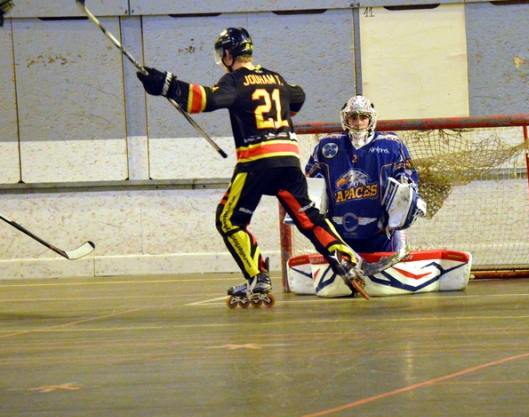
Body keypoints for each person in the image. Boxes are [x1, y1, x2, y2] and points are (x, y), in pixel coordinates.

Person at [135, 27, 367, 305]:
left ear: (228, 54)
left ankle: (257, 277)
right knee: (308, 217)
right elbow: (298, 96)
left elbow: (208, 99)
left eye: (222, 54)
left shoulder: (235, 80)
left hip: (257, 161)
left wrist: (166, 85)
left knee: (229, 220)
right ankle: (346, 260)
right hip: (289, 161)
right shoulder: (276, 78)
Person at [304, 95, 425, 262]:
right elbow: (312, 182)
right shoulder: (327, 145)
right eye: (353, 117)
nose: (358, 122)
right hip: (338, 231)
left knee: (391, 265)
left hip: (382, 232)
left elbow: (407, 178)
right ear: (345, 119)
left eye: (363, 117)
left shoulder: (391, 144)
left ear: (371, 119)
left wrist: (409, 202)